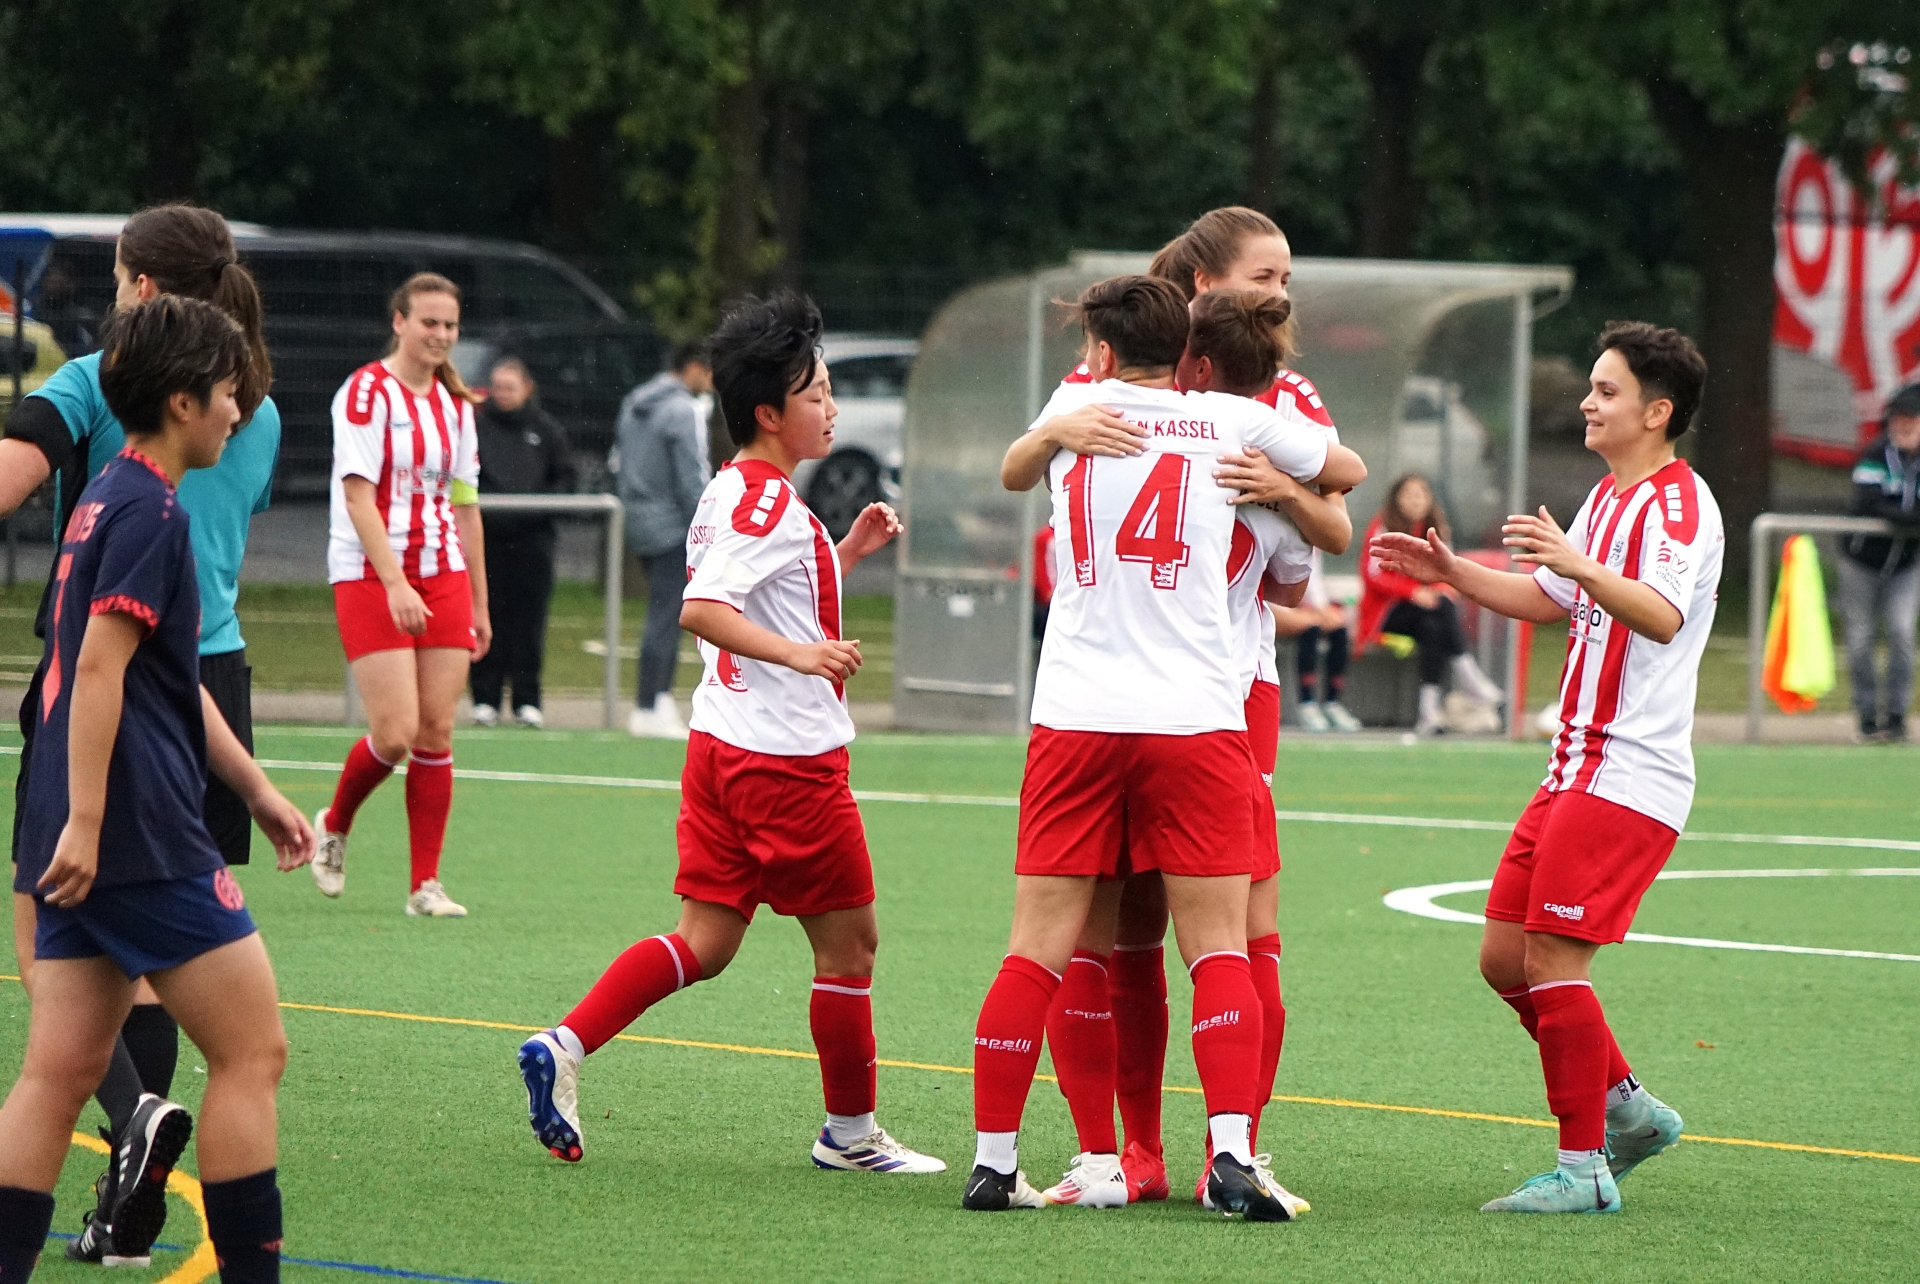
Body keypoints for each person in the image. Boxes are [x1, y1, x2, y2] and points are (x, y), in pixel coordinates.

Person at [515, 292, 945, 1177]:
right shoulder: (766, 503)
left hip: (720, 750)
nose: (832, 407)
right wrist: (803, 655)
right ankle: (850, 1135)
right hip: (784, 764)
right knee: (850, 947)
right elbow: (704, 607)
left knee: (704, 943)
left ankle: (565, 1045)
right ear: (769, 413)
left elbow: (769, 590)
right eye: (817, 393)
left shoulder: (734, 489)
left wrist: (844, 553)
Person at [968, 275, 1363, 1219]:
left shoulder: (1077, 412)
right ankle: (1230, 1159)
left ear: (1102, 352)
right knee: (1218, 947)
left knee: (1037, 951)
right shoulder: (1231, 420)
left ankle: (995, 1162)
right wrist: (1281, 477)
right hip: (1194, 718)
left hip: (1076, 719)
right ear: (1182, 353)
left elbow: (1013, 472)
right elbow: (1344, 469)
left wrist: (1055, 432)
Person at [0, 294, 313, 1283]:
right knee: (254, 1054)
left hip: (71, 815)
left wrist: (255, 790)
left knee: (58, 1073)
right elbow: (98, 668)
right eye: (226, 391)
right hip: (133, 827)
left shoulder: (106, 494)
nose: (238, 410)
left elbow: (160, 679)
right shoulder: (150, 513)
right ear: (182, 402)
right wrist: (93, 822)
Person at [1372, 320, 1717, 1214]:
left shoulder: (1678, 506)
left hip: (1629, 772)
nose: (1588, 404)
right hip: (1573, 767)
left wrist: (1577, 564)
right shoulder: (1606, 498)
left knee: (1554, 958)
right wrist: (1452, 571)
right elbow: (1546, 597)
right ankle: (1629, 1113)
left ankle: (1583, 1170)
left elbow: (1662, 614)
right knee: (1505, 960)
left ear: (1656, 411)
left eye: (1606, 391)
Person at [310, 273, 490, 918]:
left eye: (450, 325)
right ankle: (335, 823)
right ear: (399, 322)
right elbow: (358, 497)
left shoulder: (457, 405)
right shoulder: (366, 393)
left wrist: (480, 603)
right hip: (370, 572)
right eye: (428, 322)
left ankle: (425, 885)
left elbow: (465, 507)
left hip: (444, 574)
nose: (440, 335)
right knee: (394, 733)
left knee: (437, 730)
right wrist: (395, 583)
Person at [469, 357, 576, 729]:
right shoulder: (476, 428)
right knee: (487, 617)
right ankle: (485, 699)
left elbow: (565, 479)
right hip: (488, 541)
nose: (503, 394)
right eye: (497, 387)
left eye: (510, 387)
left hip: (533, 542)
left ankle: (527, 701)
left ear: (527, 388)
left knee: (529, 623)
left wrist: (536, 508)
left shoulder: (547, 430)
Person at [615, 340, 714, 738]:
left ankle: (651, 702)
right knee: (668, 616)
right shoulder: (683, 409)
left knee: (663, 611)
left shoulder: (634, 403)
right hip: (672, 525)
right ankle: (653, 702)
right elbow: (692, 475)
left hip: (639, 519)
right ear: (694, 368)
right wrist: (706, 527)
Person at [1359, 474, 1504, 734]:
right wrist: (1413, 592)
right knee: (1440, 611)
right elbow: (1372, 574)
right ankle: (1471, 681)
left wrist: (1439, 591)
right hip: (1388, 613)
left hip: (1426, 614)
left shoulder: (1436, 529)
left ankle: (1428, 714)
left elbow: (1447, 573)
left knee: (1433, 628)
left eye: (1421, 494)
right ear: (1397, 499)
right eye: (1409, 494)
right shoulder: (1383, 526)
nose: (1415, 500)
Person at [1838, 381, 1920, 741]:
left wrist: (1904, 518)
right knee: (1860, 639)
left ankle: (1897, 716)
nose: (1902, 427)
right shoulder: (1875, 454)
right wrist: (1908, 518)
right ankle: (1868, 715)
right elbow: (1869, 503)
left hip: (1905, 565)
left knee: (1902, 633)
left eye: (1911, 420)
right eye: (1897, 420)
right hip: (1862, 563)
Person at [1279, 560, 1360, 732]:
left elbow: (1313, 582)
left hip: (1305, 607)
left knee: (1339, 629)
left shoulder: (1315, 548)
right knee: (1310, 627)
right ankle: (1306, 703)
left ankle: (1331, 703)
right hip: (1273, 605)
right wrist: (1315, 610)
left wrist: (1322, 609)